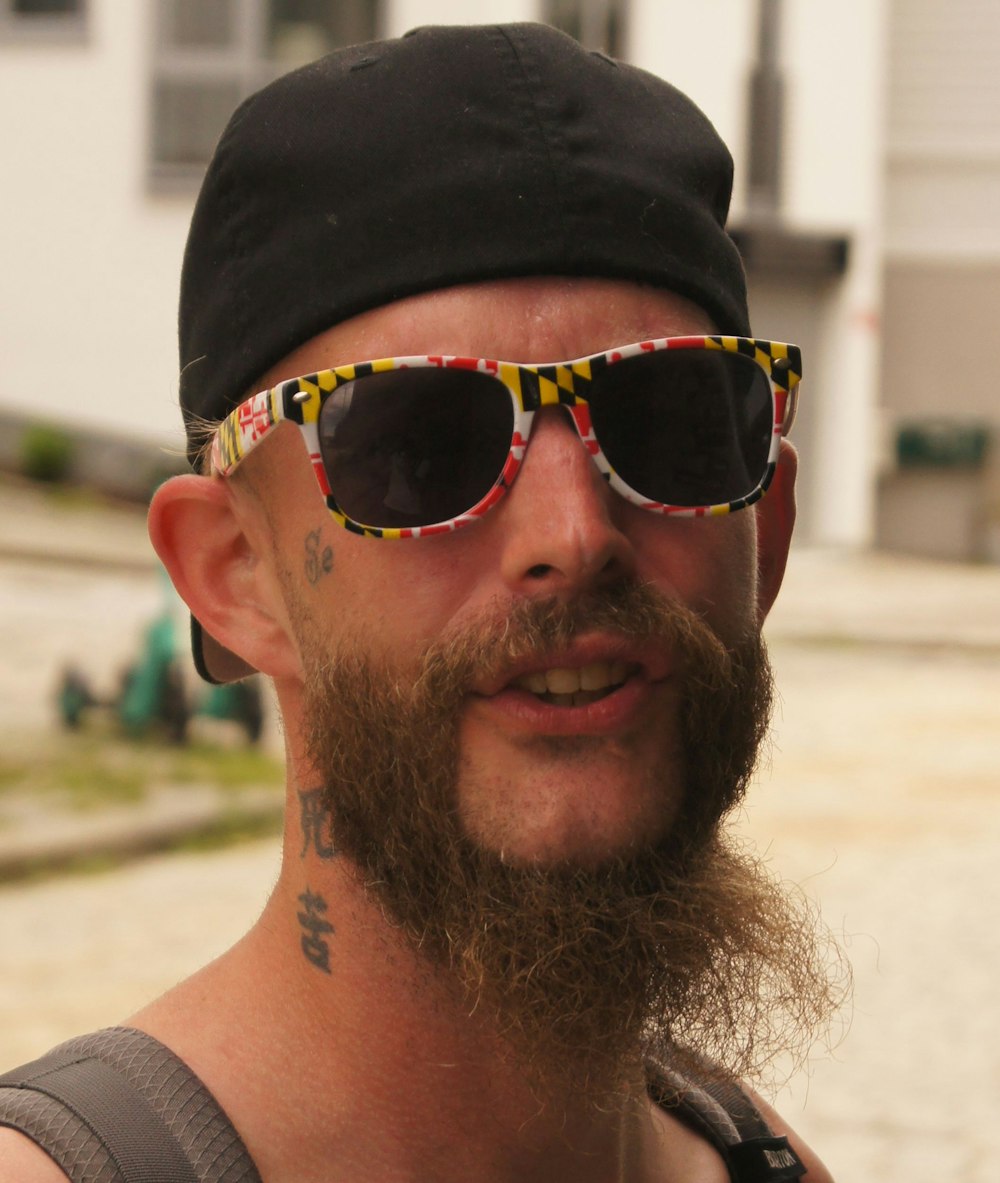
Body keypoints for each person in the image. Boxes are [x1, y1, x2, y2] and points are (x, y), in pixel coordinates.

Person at [0, 23, 844, 1183]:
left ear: (768, 529)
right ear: (233, 575)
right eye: (418, 445)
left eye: (670, 424)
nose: (574, 536)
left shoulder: (758, 1161)